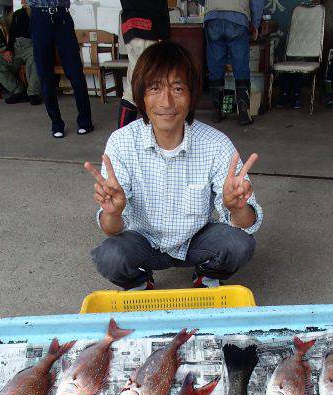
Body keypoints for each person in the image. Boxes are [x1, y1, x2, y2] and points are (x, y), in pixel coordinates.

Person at [84, 41, 263, 291]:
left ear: (191, 95)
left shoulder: (216, 144)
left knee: (239, 245)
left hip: (195, 243)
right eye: (154, 88)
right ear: (141, 95)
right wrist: (113, 212)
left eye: (177, 88)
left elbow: (247, 222)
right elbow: (110, 229)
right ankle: (140, 281)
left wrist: (237, 209)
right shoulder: (121, 142)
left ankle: (206, 274)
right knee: (110, 256)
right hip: (142, 241)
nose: (166, 102)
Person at [27, 0, 93, 138]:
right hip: (39, 15)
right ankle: (56, 124)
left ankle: (85, 121)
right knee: (45, 75)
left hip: (61, 15)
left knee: (75, 73)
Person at [198, 0, 265, 125]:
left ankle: (217, 112)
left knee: (215, 66)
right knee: (241, 66)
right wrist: (255, 23)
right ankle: (244, 113)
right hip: (237, 18)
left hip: (213, 19)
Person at [117, 0, 170, 128]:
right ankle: (152, 133)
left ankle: (122, 136)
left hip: (130, 27)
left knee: (134, 84)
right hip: (148, 27)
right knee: (152, 84)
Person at [0, 0, 42, 105]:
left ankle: (33, 93)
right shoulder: (18, 14)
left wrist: (32, 9)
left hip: (32, 44)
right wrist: (8, 49)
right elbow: (12, 35)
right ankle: (18, 91)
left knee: (35, 57)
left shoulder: (41, 12)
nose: (23, 1)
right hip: (17, 47)